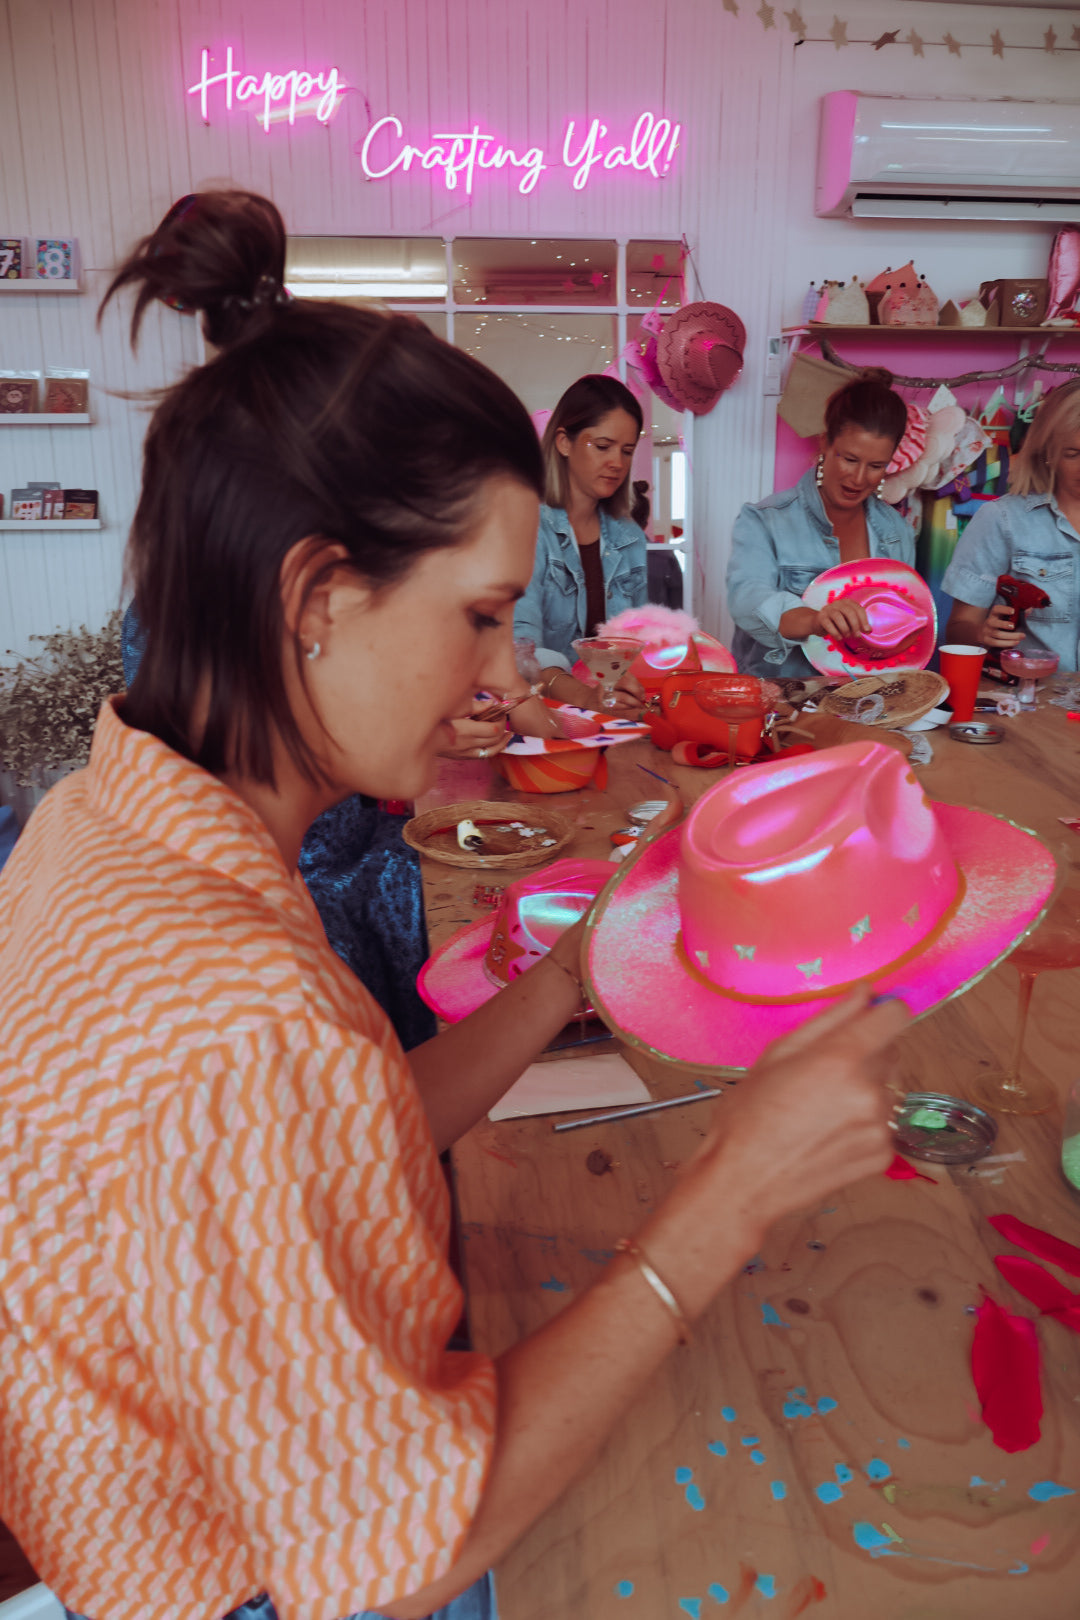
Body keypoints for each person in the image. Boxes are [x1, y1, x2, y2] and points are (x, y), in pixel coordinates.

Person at [0, 188, 907, 1620]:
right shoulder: (237, 1018)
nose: (501, 681)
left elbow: (326, 1133)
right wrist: (730, 1192)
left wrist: (567, 978)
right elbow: (397, 1545)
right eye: (481, 617)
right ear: (317, 595)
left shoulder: (102, 828)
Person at [726, 368, 913, 679]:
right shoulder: (764, 520)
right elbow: (747, 601)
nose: (858, 478)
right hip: (780, 701)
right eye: (849, 459)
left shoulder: (898, 533)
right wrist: (816, 619)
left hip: (866, 700)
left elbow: (898, 624)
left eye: (875, 466)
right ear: (825, 443)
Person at [513, 375, 649, 713]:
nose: (617, 462)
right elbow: (519, 648)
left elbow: (636, 641)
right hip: (540, 721)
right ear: (563, 442)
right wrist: (586, 698)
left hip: (611, 718)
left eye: (627, 450)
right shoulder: (527, 527)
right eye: (603, 446)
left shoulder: (629, 536)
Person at [942, 378, 1080, 670]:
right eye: (1074, 454)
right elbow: (957, 631)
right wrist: (982, 634)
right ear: (1049, 453)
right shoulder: (1002, 520)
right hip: (1030, 706)